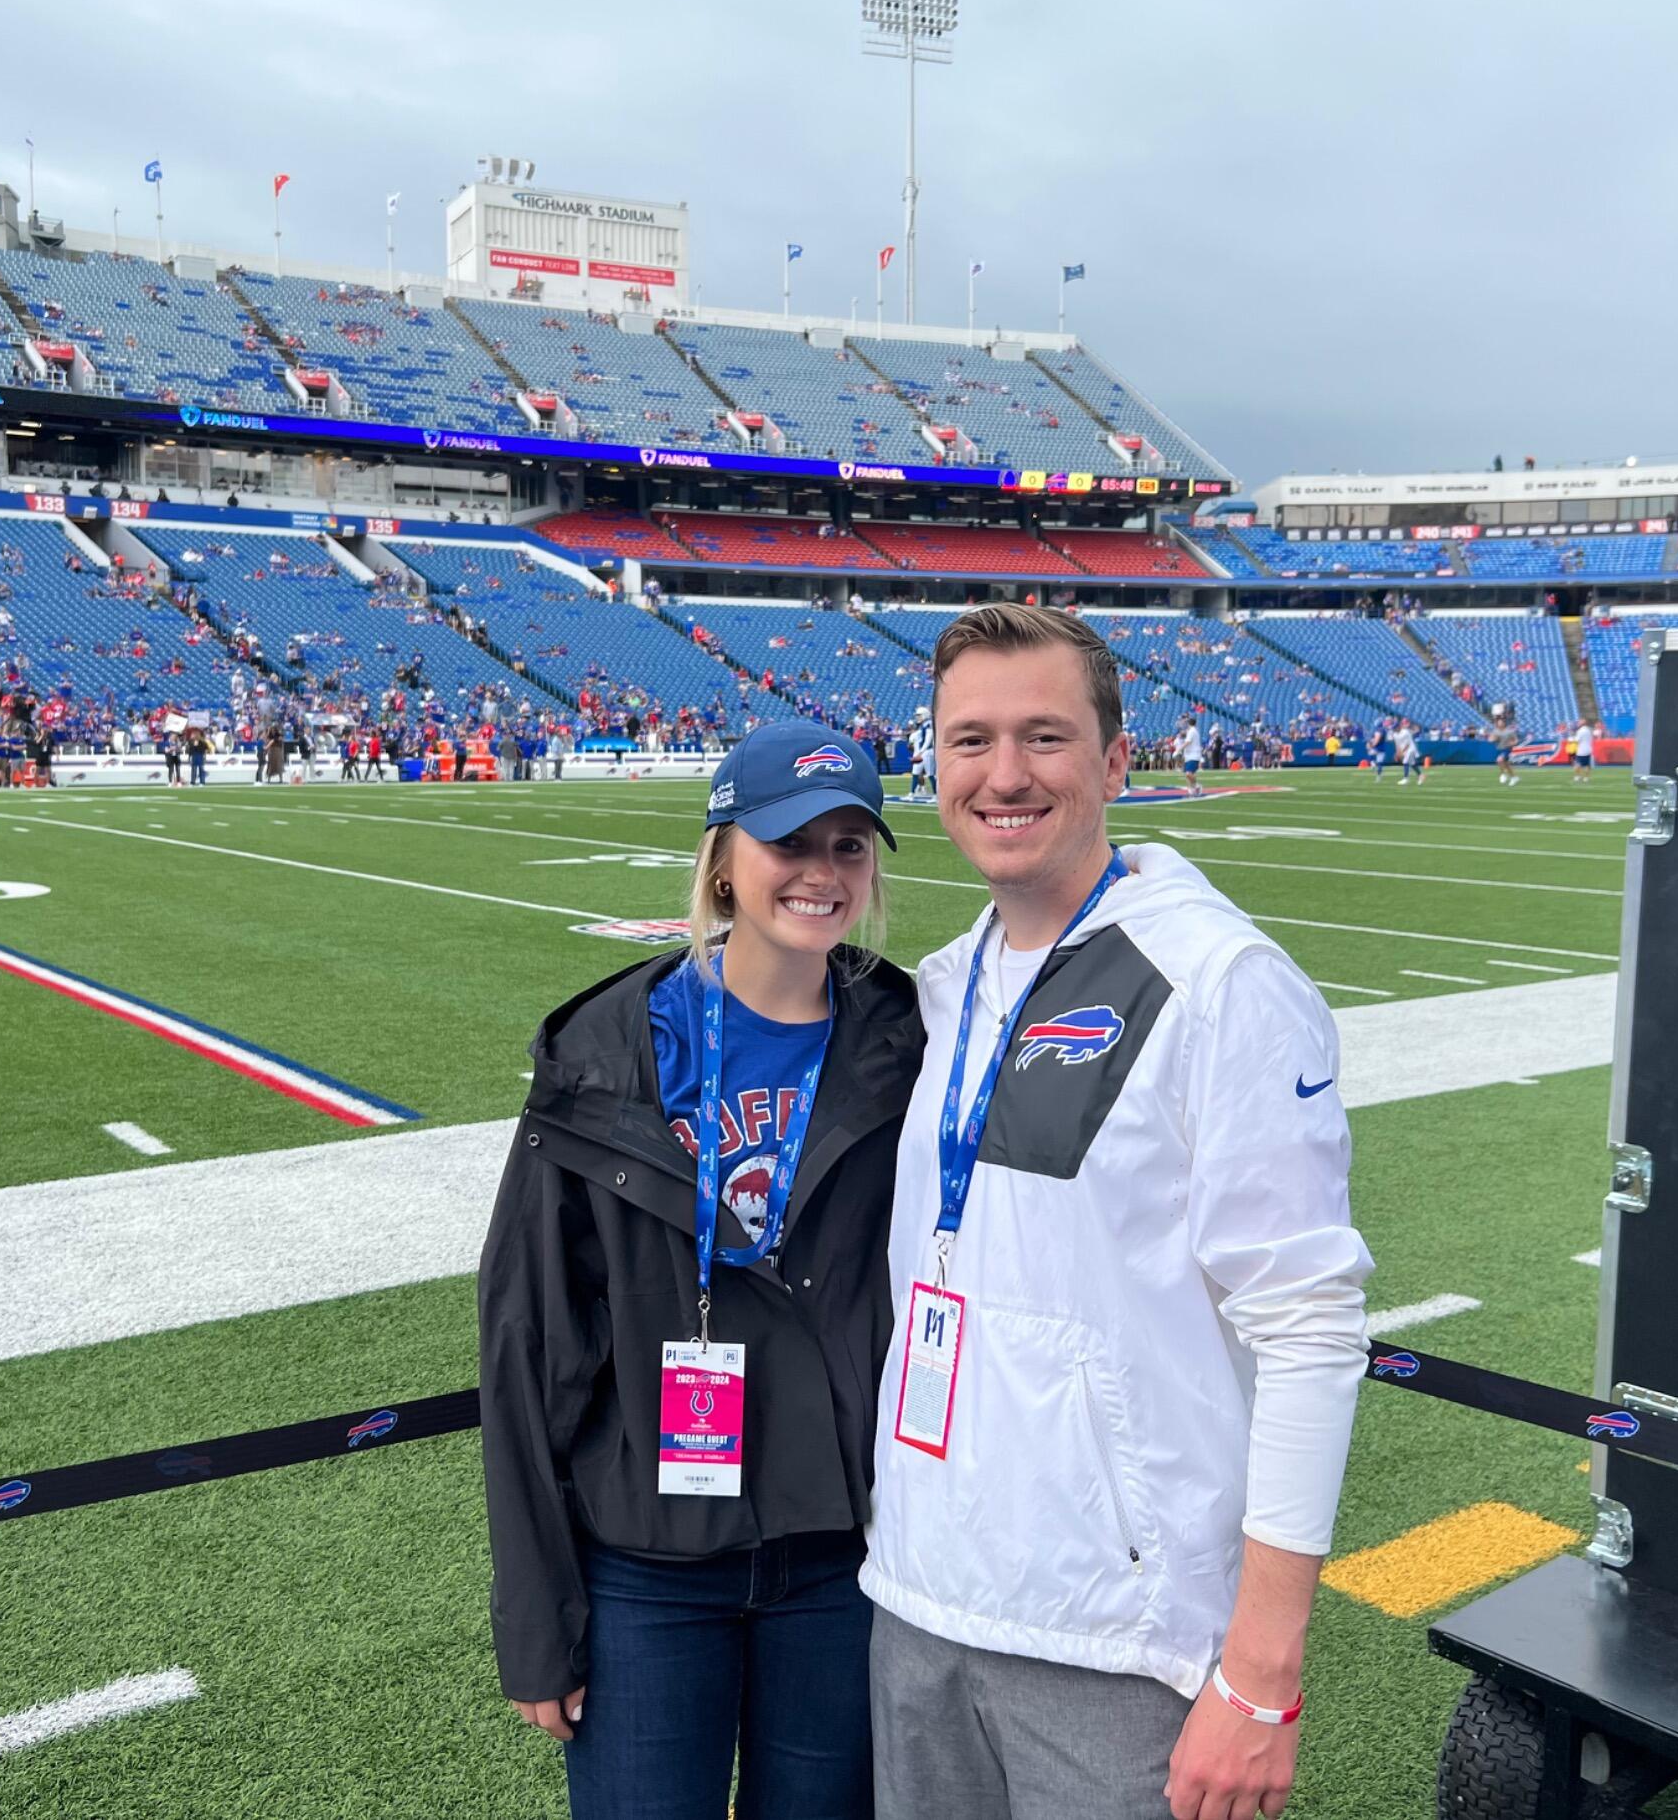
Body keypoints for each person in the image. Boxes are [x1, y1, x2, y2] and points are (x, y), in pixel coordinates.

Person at [858, 604, 1372, 1820]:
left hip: (1117, 1642)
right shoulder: (949, 984)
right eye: (968, 740)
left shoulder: (1220, 984)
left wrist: (1259, 1677)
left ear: (1116, 761)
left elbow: (1306, 1328)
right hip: (919, 1599)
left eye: (1044, 736)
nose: (1003, 774)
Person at [478, 720, 923, 1820]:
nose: (822, 874)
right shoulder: (606, 1052)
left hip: (839, 1553)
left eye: (848, 847)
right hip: (646, 1562)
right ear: (724, 856)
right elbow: (526, 1342)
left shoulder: (909, 1037)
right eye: (791, 844)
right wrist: (540, 1622)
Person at [1573, 718, 1595, 782]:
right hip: (1588, 749)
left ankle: (1578, 776)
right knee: (1587, 765)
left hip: (1581, 750)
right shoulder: (1589, 730)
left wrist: (1573, 737)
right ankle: (1586, 777)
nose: (1578, 723)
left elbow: (1577, 740)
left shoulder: (1580, 731)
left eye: (1579, 722)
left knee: (1577, 764)